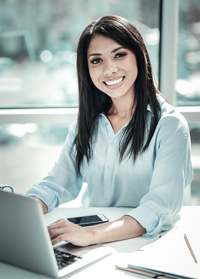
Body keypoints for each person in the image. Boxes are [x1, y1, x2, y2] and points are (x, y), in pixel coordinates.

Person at [26, 15, 193, 247]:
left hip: (143, 244)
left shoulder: (170, 125)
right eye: (96, 61)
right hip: (90, 240)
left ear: (139, 56)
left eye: (119, 54)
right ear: (87, 69)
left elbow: (159, 207)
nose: (109, 69)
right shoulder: (86, 125)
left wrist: (92, 235)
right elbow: (55, 184)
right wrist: (24, 214)